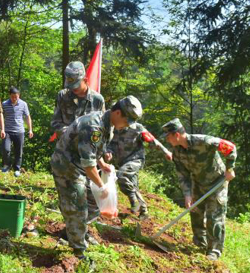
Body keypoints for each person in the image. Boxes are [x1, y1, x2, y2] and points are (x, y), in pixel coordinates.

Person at [50, 96, 141, 260]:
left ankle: (76, 231)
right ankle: (78, 251)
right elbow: (88, 163)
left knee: (95, 202)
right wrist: (102, 186)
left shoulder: (109, 124)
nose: (127, 125)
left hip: (81, 164)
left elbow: (92, 151)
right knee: (77, 206)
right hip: (67, 166)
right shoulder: (94, 126)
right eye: (127, 121)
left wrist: (102, 164)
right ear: (118, 113)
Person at [161, 118, 236, 261]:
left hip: (217, 182)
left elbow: (230, 148)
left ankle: (214, 251)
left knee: (214, 217)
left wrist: (230, 168)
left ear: (176, 135)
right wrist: (187, 195)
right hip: (198, 183)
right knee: (195, 212)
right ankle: (200, 244)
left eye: (168, 136)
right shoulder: (177, 152)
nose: (167, 140)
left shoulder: (204, 141)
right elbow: (183, 175)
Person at [50, 61, 105, 242]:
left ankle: (81, 230)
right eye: (69, 84)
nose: (72, 89)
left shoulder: (97, 100)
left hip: (88, 157)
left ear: (86, 79)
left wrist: (103, 154)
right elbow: (56, 122)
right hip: (68, 157)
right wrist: (65, 132)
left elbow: (101, 129)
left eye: (76, 84)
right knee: (72, 198)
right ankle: (74, 233)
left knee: (92, 199)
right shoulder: (63, 96)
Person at [103, 97, 172, 219]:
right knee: (131, 185)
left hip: (135, 159)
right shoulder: (113, 128)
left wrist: (166, 151)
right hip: (122, 160)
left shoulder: (138, 129)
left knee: (121, 175)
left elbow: (152, 140)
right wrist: (108, 152)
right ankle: (143, 210)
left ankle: (135, 203)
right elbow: (110, 145)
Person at [1, 87, 33, 176]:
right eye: (12, 97)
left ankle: (17, 168)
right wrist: (2, 129)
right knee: (6, 149)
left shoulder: (23, 104)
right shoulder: (4, 104)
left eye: (16, 97)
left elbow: (27, 117)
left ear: (19, 95)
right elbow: (0, 116)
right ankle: (7, 165)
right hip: (7, 131)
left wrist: (30, 129)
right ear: (9, 96)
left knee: (18, 151)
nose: (14, 98)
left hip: (19, 131)